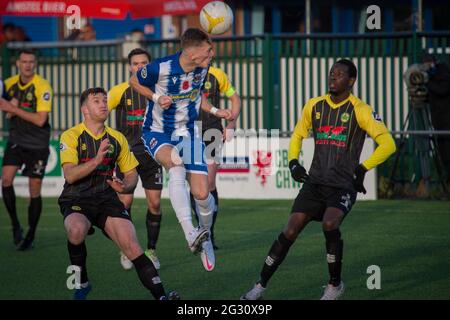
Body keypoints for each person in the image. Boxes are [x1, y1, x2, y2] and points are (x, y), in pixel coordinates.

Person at [241, 59, 396, 300]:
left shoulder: (361, 110)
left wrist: (363, 168)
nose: (333, 77)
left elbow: (388, 144)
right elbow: (297, 135)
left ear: (351, 81)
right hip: (314, 183)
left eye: (340, 74)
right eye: (331, 73)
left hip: (342, 185)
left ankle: (334, 285)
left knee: (329, 224)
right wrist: (293, 162)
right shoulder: (314, 106)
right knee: (290, 230)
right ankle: (259, 286)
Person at [58, 87, 178, 300]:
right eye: (97, 101)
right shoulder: (71, 135)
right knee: (76, 230)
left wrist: (125, 187)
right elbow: (70, 175)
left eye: (105, 100)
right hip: (77, 198)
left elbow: (131, 175)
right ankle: (81, 282)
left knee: (132, 247)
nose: (104, 104)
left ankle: (161, 296)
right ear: (84, 109)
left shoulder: (117, 138)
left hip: (106, 199)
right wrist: (96, 160)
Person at [129, 28, 233, 272]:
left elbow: (197, 98)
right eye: (208, 50)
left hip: (188, 133)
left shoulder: (202, 67)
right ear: (193, 52)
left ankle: (204, 237)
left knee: (202, 193)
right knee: (175, 165)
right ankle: (191, 235)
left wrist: (218, 112)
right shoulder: (161, 67)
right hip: (157, 132)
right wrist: (155, 97)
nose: (212, 54)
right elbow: (134, 81)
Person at [108, 48, 163, 270]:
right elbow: (98, 113)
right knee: (125, 203)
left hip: (153, 154)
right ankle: (126, 249)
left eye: (143, 63)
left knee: (155, 204)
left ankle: (151, 250)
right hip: (127, 156)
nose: (139, 67)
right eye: (135, 63)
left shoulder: (158, 90)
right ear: (130, 67)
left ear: (149, 65)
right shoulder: (120, 91)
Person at [0, 49, 53, 250]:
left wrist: (12, 109)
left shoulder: (42, 86)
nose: (28, 65)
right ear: (18, 64)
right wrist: (7, 107)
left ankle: (30, 234)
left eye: (31, 61)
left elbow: (41, 120)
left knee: (34, 190)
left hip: (38, 144)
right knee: (6, 180)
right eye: (24, 61)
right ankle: (15, 226)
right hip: (16, 140)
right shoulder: (8, 84)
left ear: (35, 64)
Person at [190, 65, 241, 249]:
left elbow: (235, 99)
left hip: (212, 131)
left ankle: (208, 231)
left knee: (209, 182)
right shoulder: (183, 72)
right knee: (195, 184)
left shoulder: (218, 74)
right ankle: (200, 228)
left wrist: (231, 124)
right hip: (188, 132)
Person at [422, 54, 450, 191]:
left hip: (446, 119)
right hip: (438, 119)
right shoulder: (435, 75)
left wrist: (427, 82)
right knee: (443, 151)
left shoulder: (443, 73)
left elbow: (442, 90)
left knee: (447, 150)